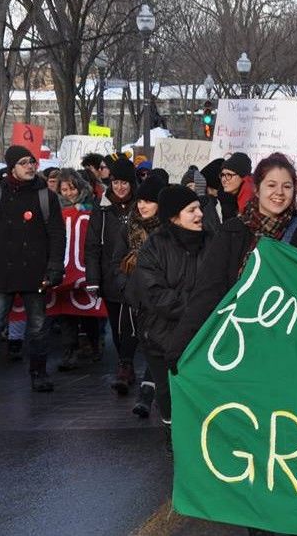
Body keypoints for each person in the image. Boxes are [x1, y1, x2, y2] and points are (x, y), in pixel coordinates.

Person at [168, 153, 297, 370]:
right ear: (257, 188)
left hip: (286, 345)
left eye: (287, 186)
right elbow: (209, 292)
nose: (279, 193)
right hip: (236, 341)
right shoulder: (232, 232)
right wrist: (181, 347)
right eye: (271, 185)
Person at [125, 184, 212, 452]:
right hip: (161, 334)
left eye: (199, 209)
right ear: (174, 216)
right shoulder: (154, 247)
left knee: (200, 389)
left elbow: (220, 283)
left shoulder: (212, 242)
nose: (199, 215)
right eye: (192, 210)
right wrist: (199, 307)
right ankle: (172, 433)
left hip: (204, 333)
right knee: (167, 391)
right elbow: (154, 294)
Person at [0, 145, 65, 391]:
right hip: (2, 272)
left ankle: (38, 373)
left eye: (32, 162)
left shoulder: (45, 196)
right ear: (11, 168)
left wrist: (55, 266)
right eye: (24, 162)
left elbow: (58, 234)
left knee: (37, 326)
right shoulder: (0, 193)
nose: (30, 166)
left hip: (35, 272)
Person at [111, 174, 166, 416]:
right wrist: (125, 285)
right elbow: (116, 260)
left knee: (157, 346)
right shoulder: (129, 227)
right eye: (140, 201)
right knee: (133, 338)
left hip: (161, 299)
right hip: (134, 298)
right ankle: (128, 372)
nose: (142, 206)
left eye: (149, 201)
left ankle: (146, 394)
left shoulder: (169, 229)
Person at [84, 158, 138, 386]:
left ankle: (126, 364)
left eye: (125, 182)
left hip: (138, 276)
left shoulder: (141, 205)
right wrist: (93, 280)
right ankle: (125, 363)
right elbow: (92, 245)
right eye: (116, 182)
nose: (120, 187)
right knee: (116, 325)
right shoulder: (102, 208)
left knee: (132, 323)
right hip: (110, 275)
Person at [54, 169, 101, 369]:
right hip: (65, 267)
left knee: (87, 311)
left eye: (72, 188)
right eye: (64, 189)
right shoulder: (54, 209)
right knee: (66, 312)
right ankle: (69, 352)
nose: (68, 193)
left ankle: (93, 344)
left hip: (84, 265)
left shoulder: (91, 207)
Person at [217, 152, 254, 222]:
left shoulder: (251, 199)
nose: (224, 179)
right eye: (222, 175)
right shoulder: (224, 196)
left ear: (242, 177)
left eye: (229, 175)